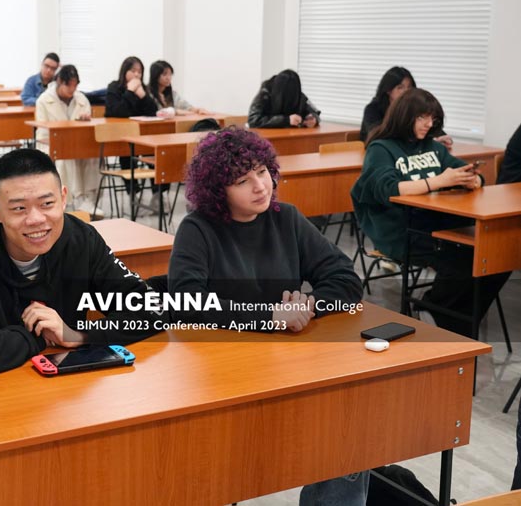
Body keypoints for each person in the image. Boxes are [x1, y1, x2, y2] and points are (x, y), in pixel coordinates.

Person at [168, 126, 368, 505]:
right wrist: (270, 316)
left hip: (286, 367)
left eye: (262, 172)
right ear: (218, 190)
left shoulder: (285, 218)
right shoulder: (197, 229)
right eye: (242, 180)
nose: (260, 186)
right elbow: (186, 302)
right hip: (221, 376)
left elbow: (345, 279)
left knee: (348, 424)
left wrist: (307, 306)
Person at [0, 148, 161, 378]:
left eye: (46, 203)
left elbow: (154, 308)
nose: (35, 219)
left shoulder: (81, 239)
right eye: (19, 208)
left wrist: (78, 335)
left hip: (64, 389)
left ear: (63, 198)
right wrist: (38, 336)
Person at [351, 88, 510, 336]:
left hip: (437, 224)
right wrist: (439, 181)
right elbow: (388, 189)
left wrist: (473, 180)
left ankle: (446, 315)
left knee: (499, 258)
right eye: (422, 117)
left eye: (432, 118)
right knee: (467, 260)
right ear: (405, 116)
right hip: (400, 230)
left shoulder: (432, 147)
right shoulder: (381, 149)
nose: (429, 124)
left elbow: (462, 170)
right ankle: (438, 312)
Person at [34, 64, 102, 217]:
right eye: (68, 85)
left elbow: (89, 130)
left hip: (78, 143)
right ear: (59, 82)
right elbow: (42, 132)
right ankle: (76, 198)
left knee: (93, 155)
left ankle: (89, 198)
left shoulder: (81, 99)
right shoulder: (44, 100)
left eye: (75, 85)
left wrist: (85, 121)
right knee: (66, 156)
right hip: (51, 144)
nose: (72, 89)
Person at [105, 56, 157, 193]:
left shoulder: (142, 88)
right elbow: (117, 112)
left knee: (155, 152)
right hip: (120, 136)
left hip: (142, 137)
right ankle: (133, 190)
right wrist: (129, 92)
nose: (136, 75)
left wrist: (143, 96)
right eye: (133, 71)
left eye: (139, 72)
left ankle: (158, 191)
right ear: (124, 71)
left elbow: (153, 112)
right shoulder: (114, 87)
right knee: (126, 153)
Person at [247, 69, 321, 128]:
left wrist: (314, 119)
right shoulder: (265, 93)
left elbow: (315, 112)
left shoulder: (298, 95)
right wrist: (286, 120)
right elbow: (253, 120)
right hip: (266, 137)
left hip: (291, 135)